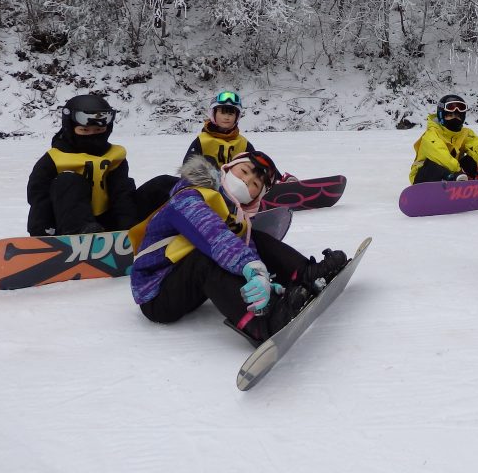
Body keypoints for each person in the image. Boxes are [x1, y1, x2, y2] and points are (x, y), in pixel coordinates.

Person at [129, 151, 348, 346]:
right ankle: (261, 325)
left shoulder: (237, 217)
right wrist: (253, 269)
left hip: (186, 285)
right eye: (244, 171)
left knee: (256, 240)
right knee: (206, 260)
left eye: (255, 184)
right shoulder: (190, 194)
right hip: (156, 294)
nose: (247, 181)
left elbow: (246, 251)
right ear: (227, 169)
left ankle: (305, 275)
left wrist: (269, 285)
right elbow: (213, 235)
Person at [27, 94, 140, 236]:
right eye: (84, 130)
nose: (92, 135)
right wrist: (41, 232)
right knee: (67, 181)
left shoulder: (114, 157)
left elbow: (121, 193)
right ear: (70, 128)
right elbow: (39, 198)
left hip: (109, 224)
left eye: (99, 130)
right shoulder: (54, 159)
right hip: (68, 226)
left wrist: (128, 226)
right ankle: (80, 232)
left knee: (163, 184)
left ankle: (168, 226)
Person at [409, 94, 478, 183]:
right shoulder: (431, 134)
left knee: (471, 159)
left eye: (458, 115)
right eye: (450, 115)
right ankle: (456, 181)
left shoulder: (465, 133)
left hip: (456, 174)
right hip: (423, 177)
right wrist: (459, 171)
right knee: (434, 166)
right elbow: (441, 156)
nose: (454, 118)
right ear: (441, 116)